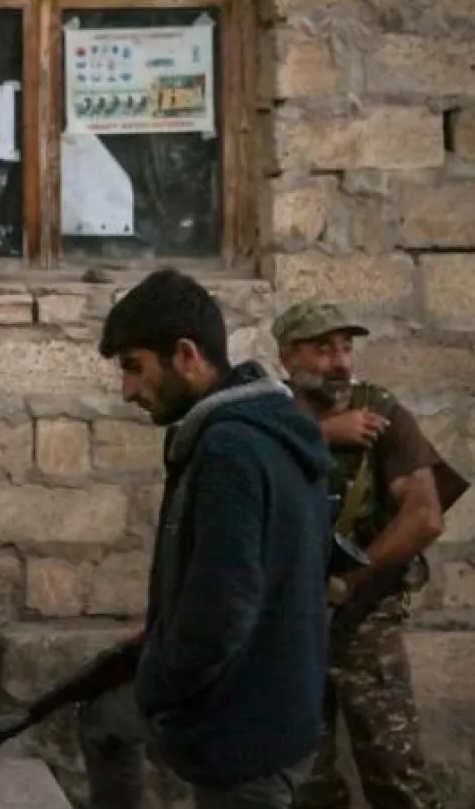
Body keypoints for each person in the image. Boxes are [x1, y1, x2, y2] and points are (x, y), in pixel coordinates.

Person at [84, 268, 331, 808]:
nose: (127, 390)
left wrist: (157, 681)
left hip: (248, 727)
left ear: (187, 355)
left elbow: (223, 608)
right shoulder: (260, 432)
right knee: (105, 718)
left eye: (134, 368)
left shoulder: (231, 449)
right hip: (267, 706)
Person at [273, 300, 465, 809]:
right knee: (302, 780)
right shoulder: (269, 415)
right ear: (286, 358)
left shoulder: (381, 411)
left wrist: (349, 582)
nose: (339, 363)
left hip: (364, 616)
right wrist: (321, 434)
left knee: (395, 774)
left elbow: (424, 516)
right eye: (322, 350)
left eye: (345, 348)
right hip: (291, 619)